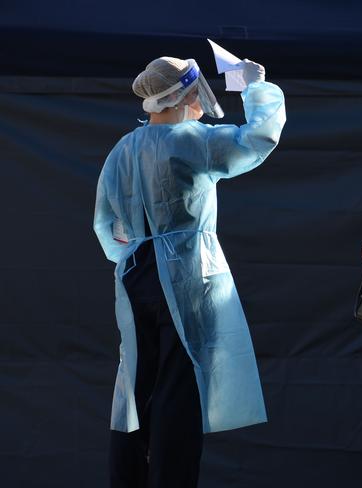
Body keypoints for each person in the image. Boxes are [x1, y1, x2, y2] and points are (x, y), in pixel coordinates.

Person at [93, 56, 286, 487]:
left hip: (136, 275)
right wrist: (257, 89)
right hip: (186, 278)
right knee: (179, 391)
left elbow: (106, 226)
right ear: (183, 95)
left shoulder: (123, 148)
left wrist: (133, 257)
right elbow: (258, 138)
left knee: (135, 388)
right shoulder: (193, 141)